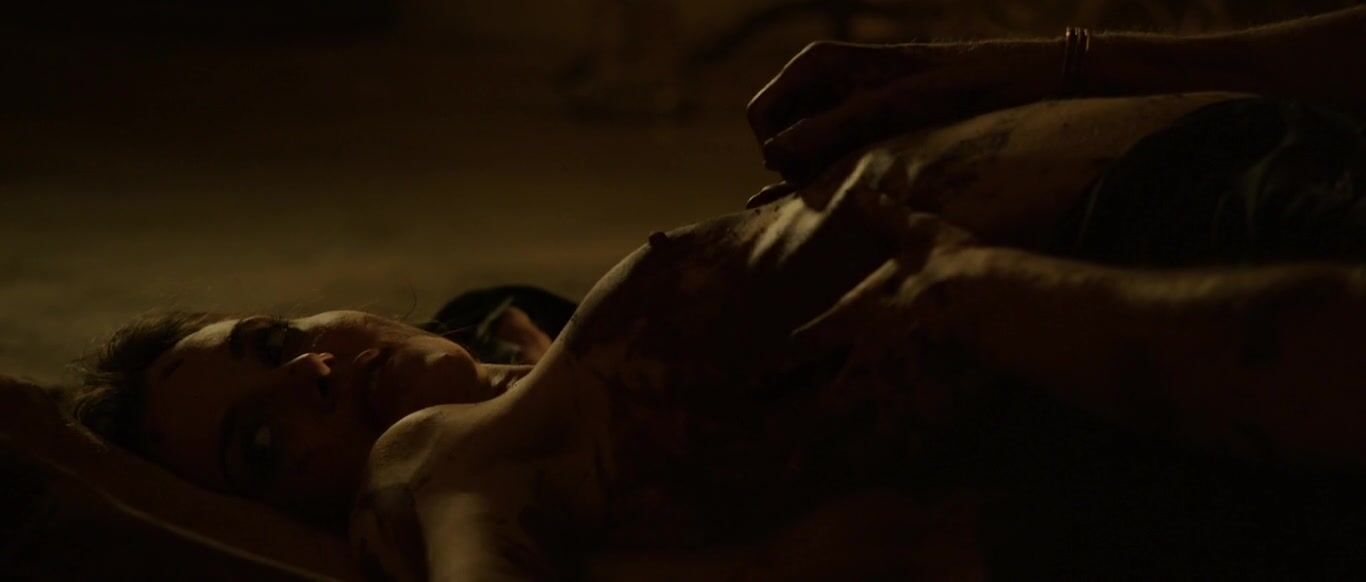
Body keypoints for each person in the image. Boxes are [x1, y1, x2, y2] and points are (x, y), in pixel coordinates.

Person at [69, 6, 1366, 580]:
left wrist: (1045, 69)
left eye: (276, 340)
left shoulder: (540, 343)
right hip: (1216, 259)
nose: (306, 374)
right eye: (258, 444)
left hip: (1246, 175)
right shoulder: (442, 458)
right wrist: (976, 287)